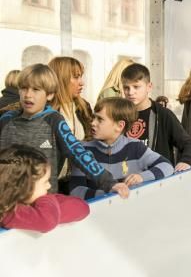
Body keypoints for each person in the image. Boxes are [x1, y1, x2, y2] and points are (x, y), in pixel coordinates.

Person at [0, 64, 127, 197]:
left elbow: (78, 152)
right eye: (24, 88)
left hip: (42, 200)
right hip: (7, 201)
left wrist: (108, 182)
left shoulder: (54, 120)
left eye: (36, 89)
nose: (28, 95)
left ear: (49, 95)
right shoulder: (6, 120)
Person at [70, 98, 174, 200]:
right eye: (94, 117)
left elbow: (167, 166)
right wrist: (108, 196)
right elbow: (76, 191)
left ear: (119, 126)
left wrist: (141, 177)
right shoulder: (83, 150)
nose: (93, 123)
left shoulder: (136, 147)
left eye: (100, 119)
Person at [121, 63, 191, 171]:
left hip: (156, 181)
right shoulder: (119, 115)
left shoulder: (163, 115)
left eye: (136, 87)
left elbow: (189, 144)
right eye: (126, 88)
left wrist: (186, 161)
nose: (130, 92)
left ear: (149, 87)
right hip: (128, 181)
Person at [0, 144, 90, 233]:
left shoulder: (33, 201)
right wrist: (47, 200)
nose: (49, 186)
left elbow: (82, 207)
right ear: (23, 186)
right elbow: (47, 221)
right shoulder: (7, 212)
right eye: (45, 182)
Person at [48, 56, 94, 192]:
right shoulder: (45, 110)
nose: (82, 83)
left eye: (81, 76)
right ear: (60, 78)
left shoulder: (83, 107)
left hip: (78, 181)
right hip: (50, 185)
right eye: (76, 77)